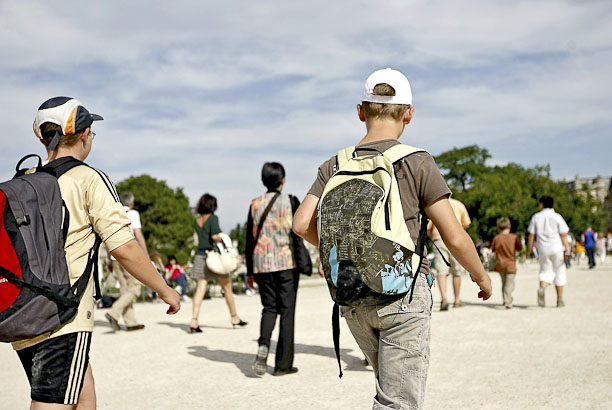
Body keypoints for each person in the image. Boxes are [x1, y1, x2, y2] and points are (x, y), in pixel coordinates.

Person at [292, 68, 492, 409]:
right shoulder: (418, 162)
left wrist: (342, 253)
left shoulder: (334, 165)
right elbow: (454, 236)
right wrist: (481, 275)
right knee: (398, 402)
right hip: (403, 295)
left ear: (360, 111)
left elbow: (300, 224)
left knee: (388, 391)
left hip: (353, 297)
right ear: (409, 114)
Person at [14, 97, 180, 409]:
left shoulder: (25, 180)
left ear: (41, 135)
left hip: (25, 310)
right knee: (53, 402)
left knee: (82, 395)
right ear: (85, 135)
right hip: (63, 314)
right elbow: (125, 248)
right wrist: (164, 289)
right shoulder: (89, 179)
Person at [246, 162, 301, 377]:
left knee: (269, 308)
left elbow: (248, 240)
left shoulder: (255, 204)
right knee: (287, 312)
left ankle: (263, 344)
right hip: (286, 263)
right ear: (283, 180)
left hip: (261, 265)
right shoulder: (291, 201)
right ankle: (283, 365)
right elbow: (297, 233)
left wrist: (250, 271)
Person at [190, 193, 247, 333]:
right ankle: (234, 317)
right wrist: (224, 239)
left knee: (200, 289)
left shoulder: (197, 220)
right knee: (227, 287)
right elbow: (214, 236)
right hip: (214, 258)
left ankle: (194, 320)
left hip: (200, 256)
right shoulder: (213, 218)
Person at [105, 192, 149, 331]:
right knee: (135, 288)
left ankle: (130, 322)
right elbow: (138, 235)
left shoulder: (112, 213)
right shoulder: (133, 214)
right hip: (129, 255)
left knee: (125, 290)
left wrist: (109, 258)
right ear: (131, 202)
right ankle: (114, 311)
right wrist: (146, 254)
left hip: (114, 255)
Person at [428, 197, 472, 310]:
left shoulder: (434, 204)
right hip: (456, 239)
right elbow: (466, 224)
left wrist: (434, 236)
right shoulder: (459, 204)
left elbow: (429, 228)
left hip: (439, 239)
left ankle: (444, 299)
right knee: (456, 271)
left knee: (441, 271)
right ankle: (457, 300)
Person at [527, 196, 571, 307]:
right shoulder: (557, 217)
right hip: (557, 248)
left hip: (543, 249)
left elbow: (531, 235)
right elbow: (563, 235)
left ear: (541, 204)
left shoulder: (536, 217)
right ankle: (559, 299)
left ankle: (542, 288)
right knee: (559, 272)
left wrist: (530, 249)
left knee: (545, 272)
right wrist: (568, 249)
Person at [491, 217, 523, 309]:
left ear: (498, 227)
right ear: (509, 226)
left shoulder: (497, 238)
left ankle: (505, 299)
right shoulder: (514, 237)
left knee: (504, 283)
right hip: (511, 264)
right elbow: (519, 248)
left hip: (500, 263)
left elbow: (493, 250)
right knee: (509, 284)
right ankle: (507, 301)